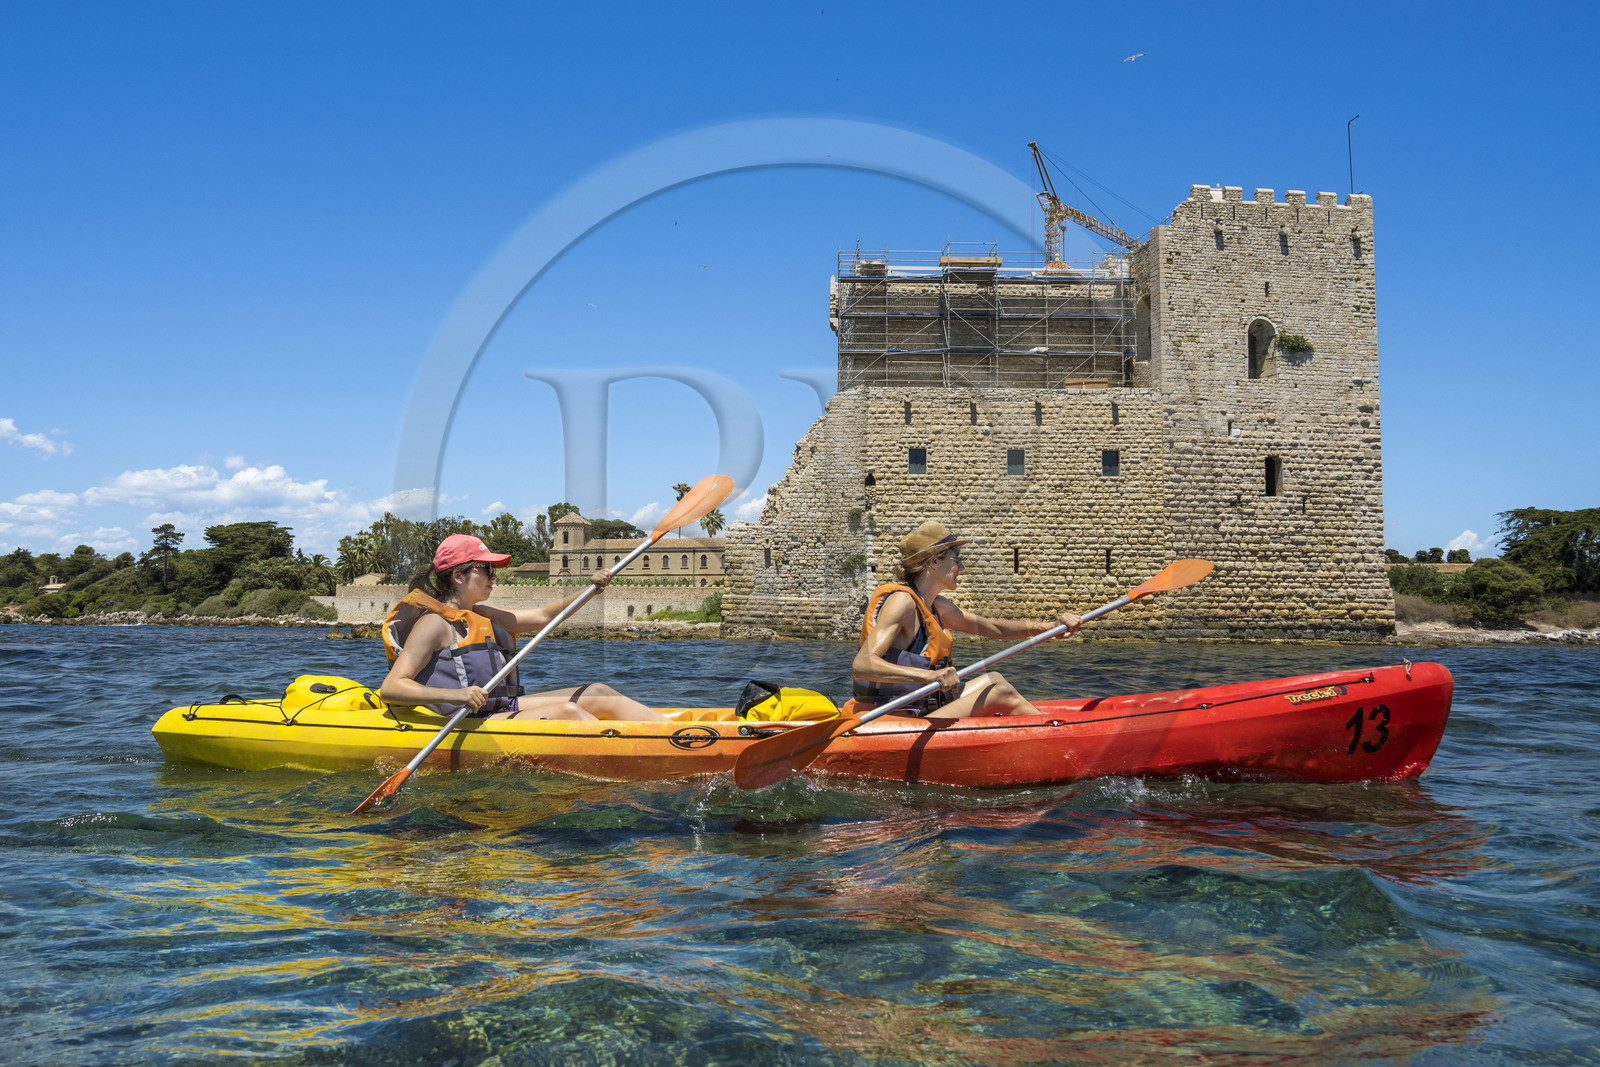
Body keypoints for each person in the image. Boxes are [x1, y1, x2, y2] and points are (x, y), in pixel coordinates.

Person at [380, 533, 664, 721]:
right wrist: (456, 695)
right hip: (471, 721)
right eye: (487, 569)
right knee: (568, 711)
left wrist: (590, 590)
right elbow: (392, 688)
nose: (494, 576)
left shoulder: (485, 615)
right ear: (457, 576)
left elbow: (544, 616)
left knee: (596, 692)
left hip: (504, 709)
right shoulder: (433, 624)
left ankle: (674, 735)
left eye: (495, 570)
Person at [851, 521, 1081, 718]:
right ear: (934, 562)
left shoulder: (937, 607)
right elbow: (863, 664)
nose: (961, 567)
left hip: (927, 707)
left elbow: (993, 628)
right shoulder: (902, 602)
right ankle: (1064, 738)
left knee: (993, 677)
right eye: (956, 559)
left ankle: (1046, 729)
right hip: (897, 716)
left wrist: (1049, 628)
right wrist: (931, 675)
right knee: (999, 691)